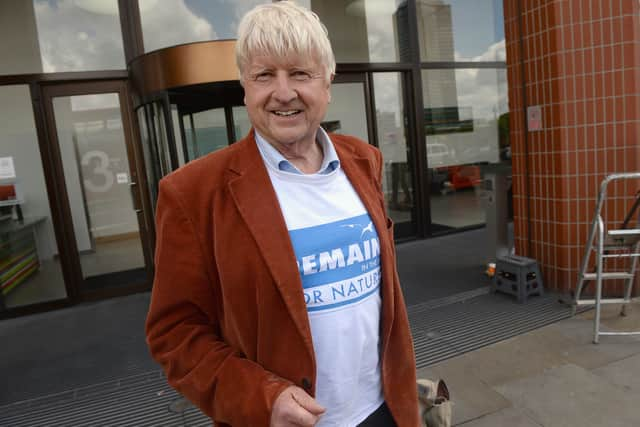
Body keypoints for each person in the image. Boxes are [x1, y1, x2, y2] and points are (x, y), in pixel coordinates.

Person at [145, 2, 418, 426]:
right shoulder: (192, 193)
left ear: (327, 83)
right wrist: (262, 397)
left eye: (300, 74)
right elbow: (175, 335)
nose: (284, 92)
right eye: (264, 75)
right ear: (245, 88)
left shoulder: (364, 161)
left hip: (382, 410)